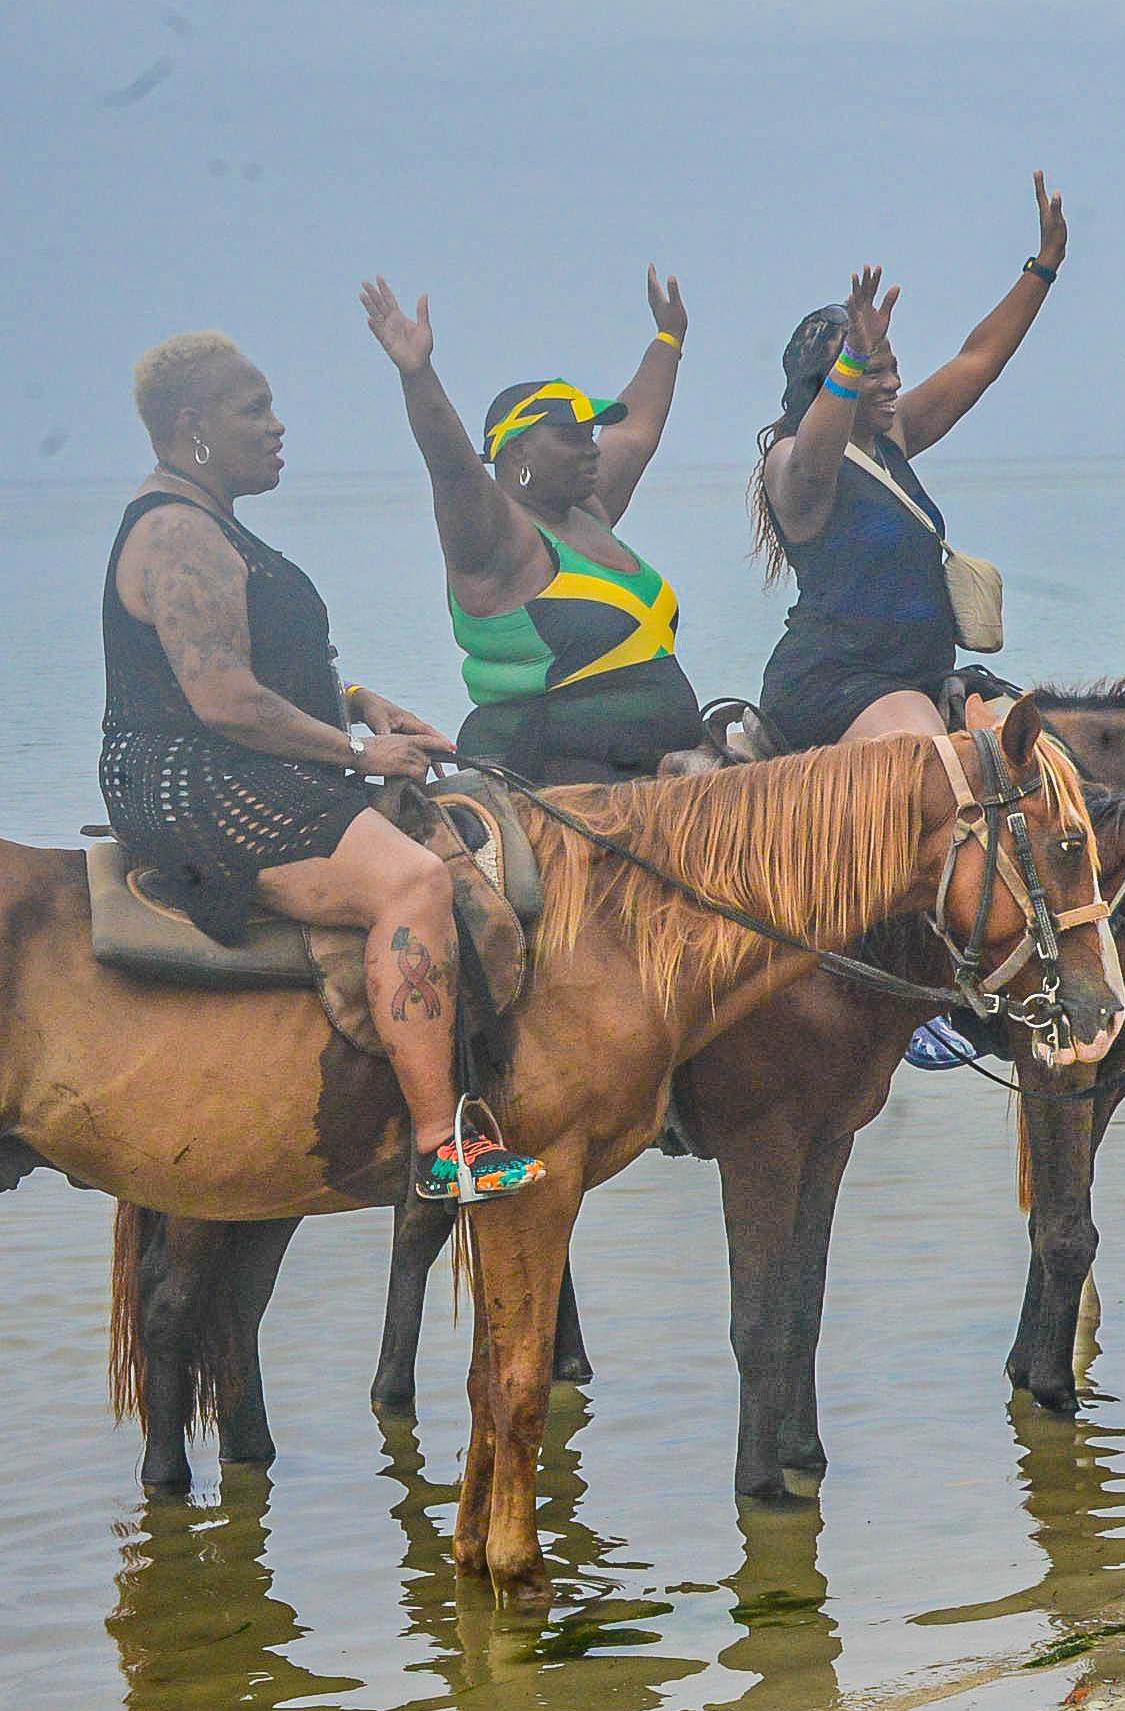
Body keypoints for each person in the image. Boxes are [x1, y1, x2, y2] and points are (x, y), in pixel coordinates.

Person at [101, 334, 538, 1202]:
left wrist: (359, 701)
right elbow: (222, 697)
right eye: (253, 410)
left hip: (228, 758)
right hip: (195, 779)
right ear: (192, 427)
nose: (277, 427)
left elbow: (253, 666)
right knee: (413, 881)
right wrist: (359, 754)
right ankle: (442, 1148)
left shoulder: (207, 520)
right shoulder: (179, 533)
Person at [753, 174, 1071, 749]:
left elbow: (977, 360)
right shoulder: (792, 462)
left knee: (1048, 750)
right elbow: (816, 458)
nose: (893, 384)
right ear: (823, 384)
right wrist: (854, 353)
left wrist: (1043, 267)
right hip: (835, 683)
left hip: (922, 679)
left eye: (892, 368)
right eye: (873, 372)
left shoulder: (890, 437)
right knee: (932, 760)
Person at [360, 269, 706, 781]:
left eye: (592, 436)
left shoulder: (588, 511)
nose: (592, 450)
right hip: (548, 781)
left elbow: (636, 429)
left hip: (646, 768)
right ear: (518, 450)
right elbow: (452, 468)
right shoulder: (495, 540)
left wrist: (668, 339)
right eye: (572, 437)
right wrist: (417, 374)